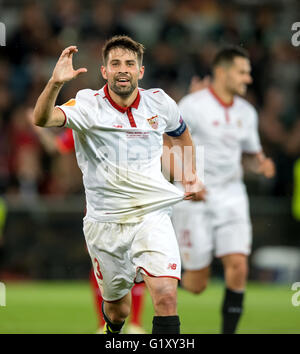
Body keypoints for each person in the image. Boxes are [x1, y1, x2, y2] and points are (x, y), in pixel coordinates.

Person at [32, 35, 202, 334]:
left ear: (141, 70)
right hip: (106, 222)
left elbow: (181, 132)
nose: (123, 69)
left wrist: (189, 172)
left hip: (152, 215)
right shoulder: (87, 105)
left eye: (129, 63)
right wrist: (55, 83)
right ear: (104, 71)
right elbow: (42, 118)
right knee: (118, 310)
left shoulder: (160, 102)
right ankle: (113, 330)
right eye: (115, 63)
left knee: (165, 294)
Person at [167, 46, 275, 334]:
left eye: (248, 72)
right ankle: (157, 275)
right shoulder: (191, 105)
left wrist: (260, 164)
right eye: (242, 72)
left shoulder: (247, 112)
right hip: (194, 199)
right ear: (222, 72)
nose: (248, 79)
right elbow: (167, 146)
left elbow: (251, 154)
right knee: (197, 284)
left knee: (238, 264)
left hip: (232, 195)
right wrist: (187, 179)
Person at [30, 121, 147, 334]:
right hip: (101, 205)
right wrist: (39, 128)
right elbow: (57, 146)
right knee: (100, 263)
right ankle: (104, 324)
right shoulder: (88, 120)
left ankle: (135, 324)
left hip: (135, 201)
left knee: (137, 260)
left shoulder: (139, 119)